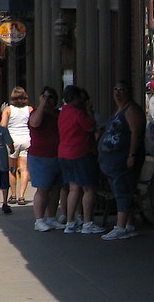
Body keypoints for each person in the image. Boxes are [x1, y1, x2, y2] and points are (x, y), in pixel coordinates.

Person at [97, 80, 144, 240]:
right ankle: (129, 224)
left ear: (128, 92)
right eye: (115, 89)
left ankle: (121, 226)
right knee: (119, 191)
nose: (118, 93)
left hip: (123, 159)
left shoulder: (131, 110)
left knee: (123, 192)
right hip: (111, 161)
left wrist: (131, 155)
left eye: (122, 89)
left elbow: (135, 133)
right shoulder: (119, 109)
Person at [58, 85, 104, 234]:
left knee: (73, 188)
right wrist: (89, 111)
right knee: (88, 188)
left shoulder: (63, 113)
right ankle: (87, 222)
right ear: (76, 98)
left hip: (64, 153)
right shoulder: (78, 113)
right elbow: (91, 126)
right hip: (81, 153)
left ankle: (70, 222)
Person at [28, 86, 63, 231]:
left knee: (56, 189)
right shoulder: (36, 113)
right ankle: (39, 220)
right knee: (42, 189)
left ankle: (52, 217)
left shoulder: (57, 114)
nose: (48, 100)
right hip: (40, 156)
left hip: (57, 155)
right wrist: (42, 105)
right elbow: (35, 123)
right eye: (45, 97)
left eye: (51, 98)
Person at [1, 86, 33, 205]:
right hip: (27, 139)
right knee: (24, 169)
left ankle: (13, 195)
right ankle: (22, 196)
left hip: (12, 140)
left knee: (12, 168)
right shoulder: (30, 109)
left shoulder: (8, 110)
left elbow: (3, 126)